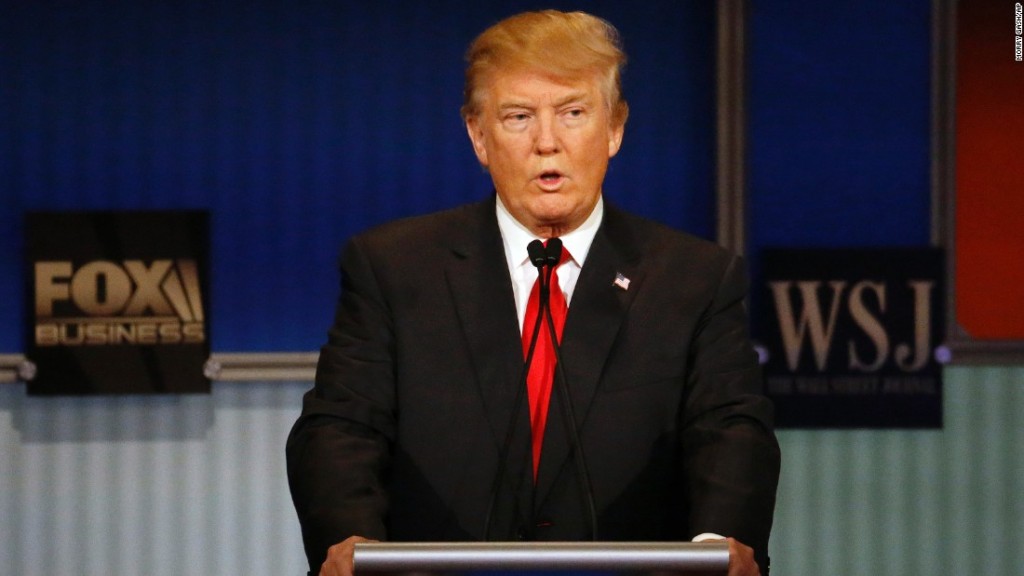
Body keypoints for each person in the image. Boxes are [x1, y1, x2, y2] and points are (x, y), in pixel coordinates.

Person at [287, 9, 780, 576]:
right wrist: (354, 540)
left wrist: (717, 545)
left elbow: (731, 432)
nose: (547, 142)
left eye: (572, 113)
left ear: (615, 128)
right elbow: (342, 428)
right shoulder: (393, 268)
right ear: (478, 135)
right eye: (519, 117)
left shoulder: (694, 278)